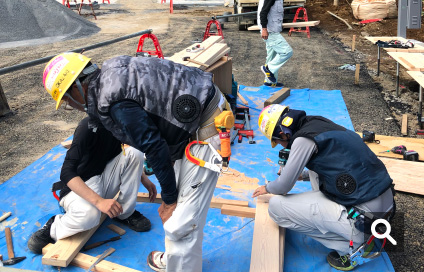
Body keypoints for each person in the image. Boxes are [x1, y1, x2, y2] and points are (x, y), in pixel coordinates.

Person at [42, 52, 234, 272]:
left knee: (180, 219)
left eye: (67, 100)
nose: (72, 106)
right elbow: (159, 114)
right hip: (196, 117)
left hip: (206, 129)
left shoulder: (113, 102)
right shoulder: (112, 70)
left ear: (76, 87)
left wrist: (169, 200)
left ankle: (181, 266)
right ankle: (176, 258)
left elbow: (154, 146)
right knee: (180, 205)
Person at [254, 105, 395, 271]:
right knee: (314, 168)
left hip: (363, 219)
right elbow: (336, 161)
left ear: (283, 133)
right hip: (385, 207)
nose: (280, 146)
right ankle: (351, 228)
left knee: (276, 207)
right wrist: (304, 175)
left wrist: (267, 187)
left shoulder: (302, 140)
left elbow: (283, 186)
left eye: (277, 141)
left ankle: (354, 247)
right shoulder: (317, 123)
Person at [27, 117, 156, 254]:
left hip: (102, 179)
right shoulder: (87, 127)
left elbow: (125, 151)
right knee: (90, 216)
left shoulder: (119, 122)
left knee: (135, 153)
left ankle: (124, 213)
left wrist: (143, 178)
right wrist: (99, 202)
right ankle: (54, 226)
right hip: (79, 186)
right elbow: (66, 172)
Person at [257, 0, 293, 87]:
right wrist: (264, 29)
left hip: (272, 28)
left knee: (271, 55)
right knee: (287, 52)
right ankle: (268, 69)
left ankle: (270, 82)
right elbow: (263, 12)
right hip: (270, 30)